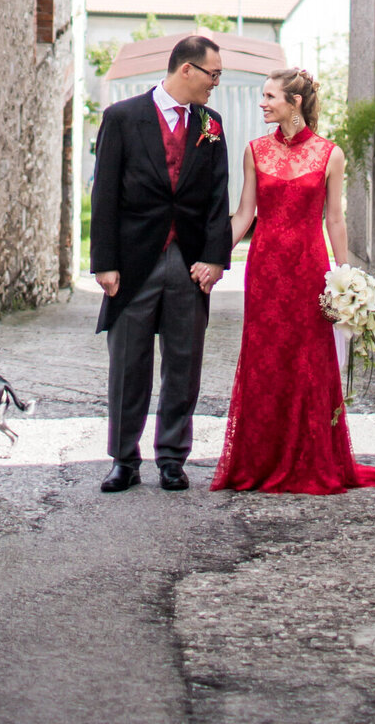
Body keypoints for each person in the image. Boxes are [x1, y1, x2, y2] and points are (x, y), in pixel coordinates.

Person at [211, 67, 375, 495]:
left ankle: (311, 457)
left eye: (270, 96)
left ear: (294, 102)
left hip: (310, 271)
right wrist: (213, 258)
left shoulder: (330, 154)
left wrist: (345, 279)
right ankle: (261, 459)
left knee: (309, 362)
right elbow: (243, 215)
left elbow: (334, 218)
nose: (262, 103)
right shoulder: (254, 150)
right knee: (264, 360)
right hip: (266, 272)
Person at [90, 32, 232, 492]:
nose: (216, 83)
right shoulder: (123, 117)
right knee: (128, 365)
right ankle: (123, 460)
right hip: (133, 262)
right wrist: (104, 262)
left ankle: (172, 457)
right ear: (186, 69)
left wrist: (215, 259)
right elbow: (104, 192)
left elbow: (216, 198)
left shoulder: (211, 124)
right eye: (213, 75)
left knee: (183, 363)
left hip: (188, 262)